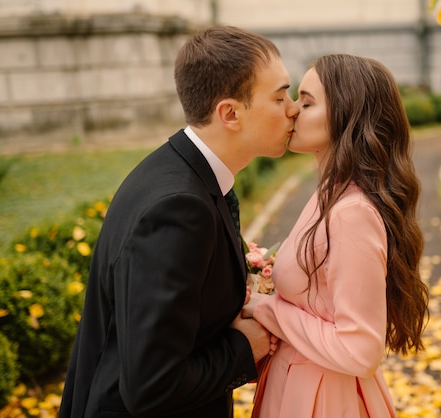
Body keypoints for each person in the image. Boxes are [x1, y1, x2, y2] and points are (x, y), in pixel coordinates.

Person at [59, 26, 298, 418]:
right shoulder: (178, 208)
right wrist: (244, 349)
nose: (292, 108)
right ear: (230, 114)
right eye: (280, 96)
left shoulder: (183, 173)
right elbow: (152, 386)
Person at [242, 54, 429, 417]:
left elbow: (360, 350)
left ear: (347, 117)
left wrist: (266, 309)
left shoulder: (351, 214)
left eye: (307, 102)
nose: (292, 110)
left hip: (323, 398)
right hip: (299, 383)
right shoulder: (332, 192)